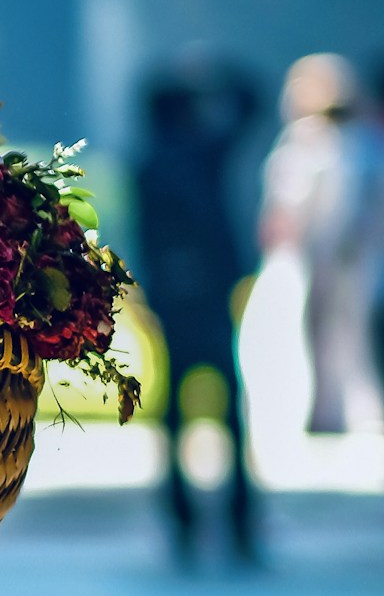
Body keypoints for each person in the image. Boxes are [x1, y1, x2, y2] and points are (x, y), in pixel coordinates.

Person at [134, 61, 260, 562]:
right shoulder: (206, 151)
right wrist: (214, 76)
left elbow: (145, 236)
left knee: (173, 412)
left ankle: (182, 520)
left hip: (173, 299)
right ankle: (239, 522)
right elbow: (250, 101)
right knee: (230, 408)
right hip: (209, 297)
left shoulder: (146, 163)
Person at [260, 52, 384, 436]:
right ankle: (323, 408)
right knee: (314, 327)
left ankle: (339, 408)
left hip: (342, 253)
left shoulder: (349, 142)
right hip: (312, 254)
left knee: (345, 328)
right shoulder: (324, 139)